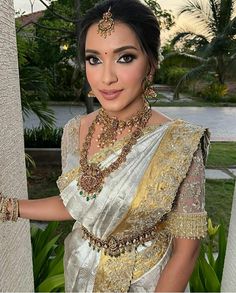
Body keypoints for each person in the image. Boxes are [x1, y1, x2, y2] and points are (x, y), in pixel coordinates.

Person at [0, 0, 211, 292]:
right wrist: (7, 207)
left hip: (145, 282)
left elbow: (187, 252)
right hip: (80, 271)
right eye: (94, 59)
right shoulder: (75, 130)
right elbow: (79, 205)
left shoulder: (180, 143)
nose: (106, 77)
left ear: (151, 64)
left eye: (125, 58)